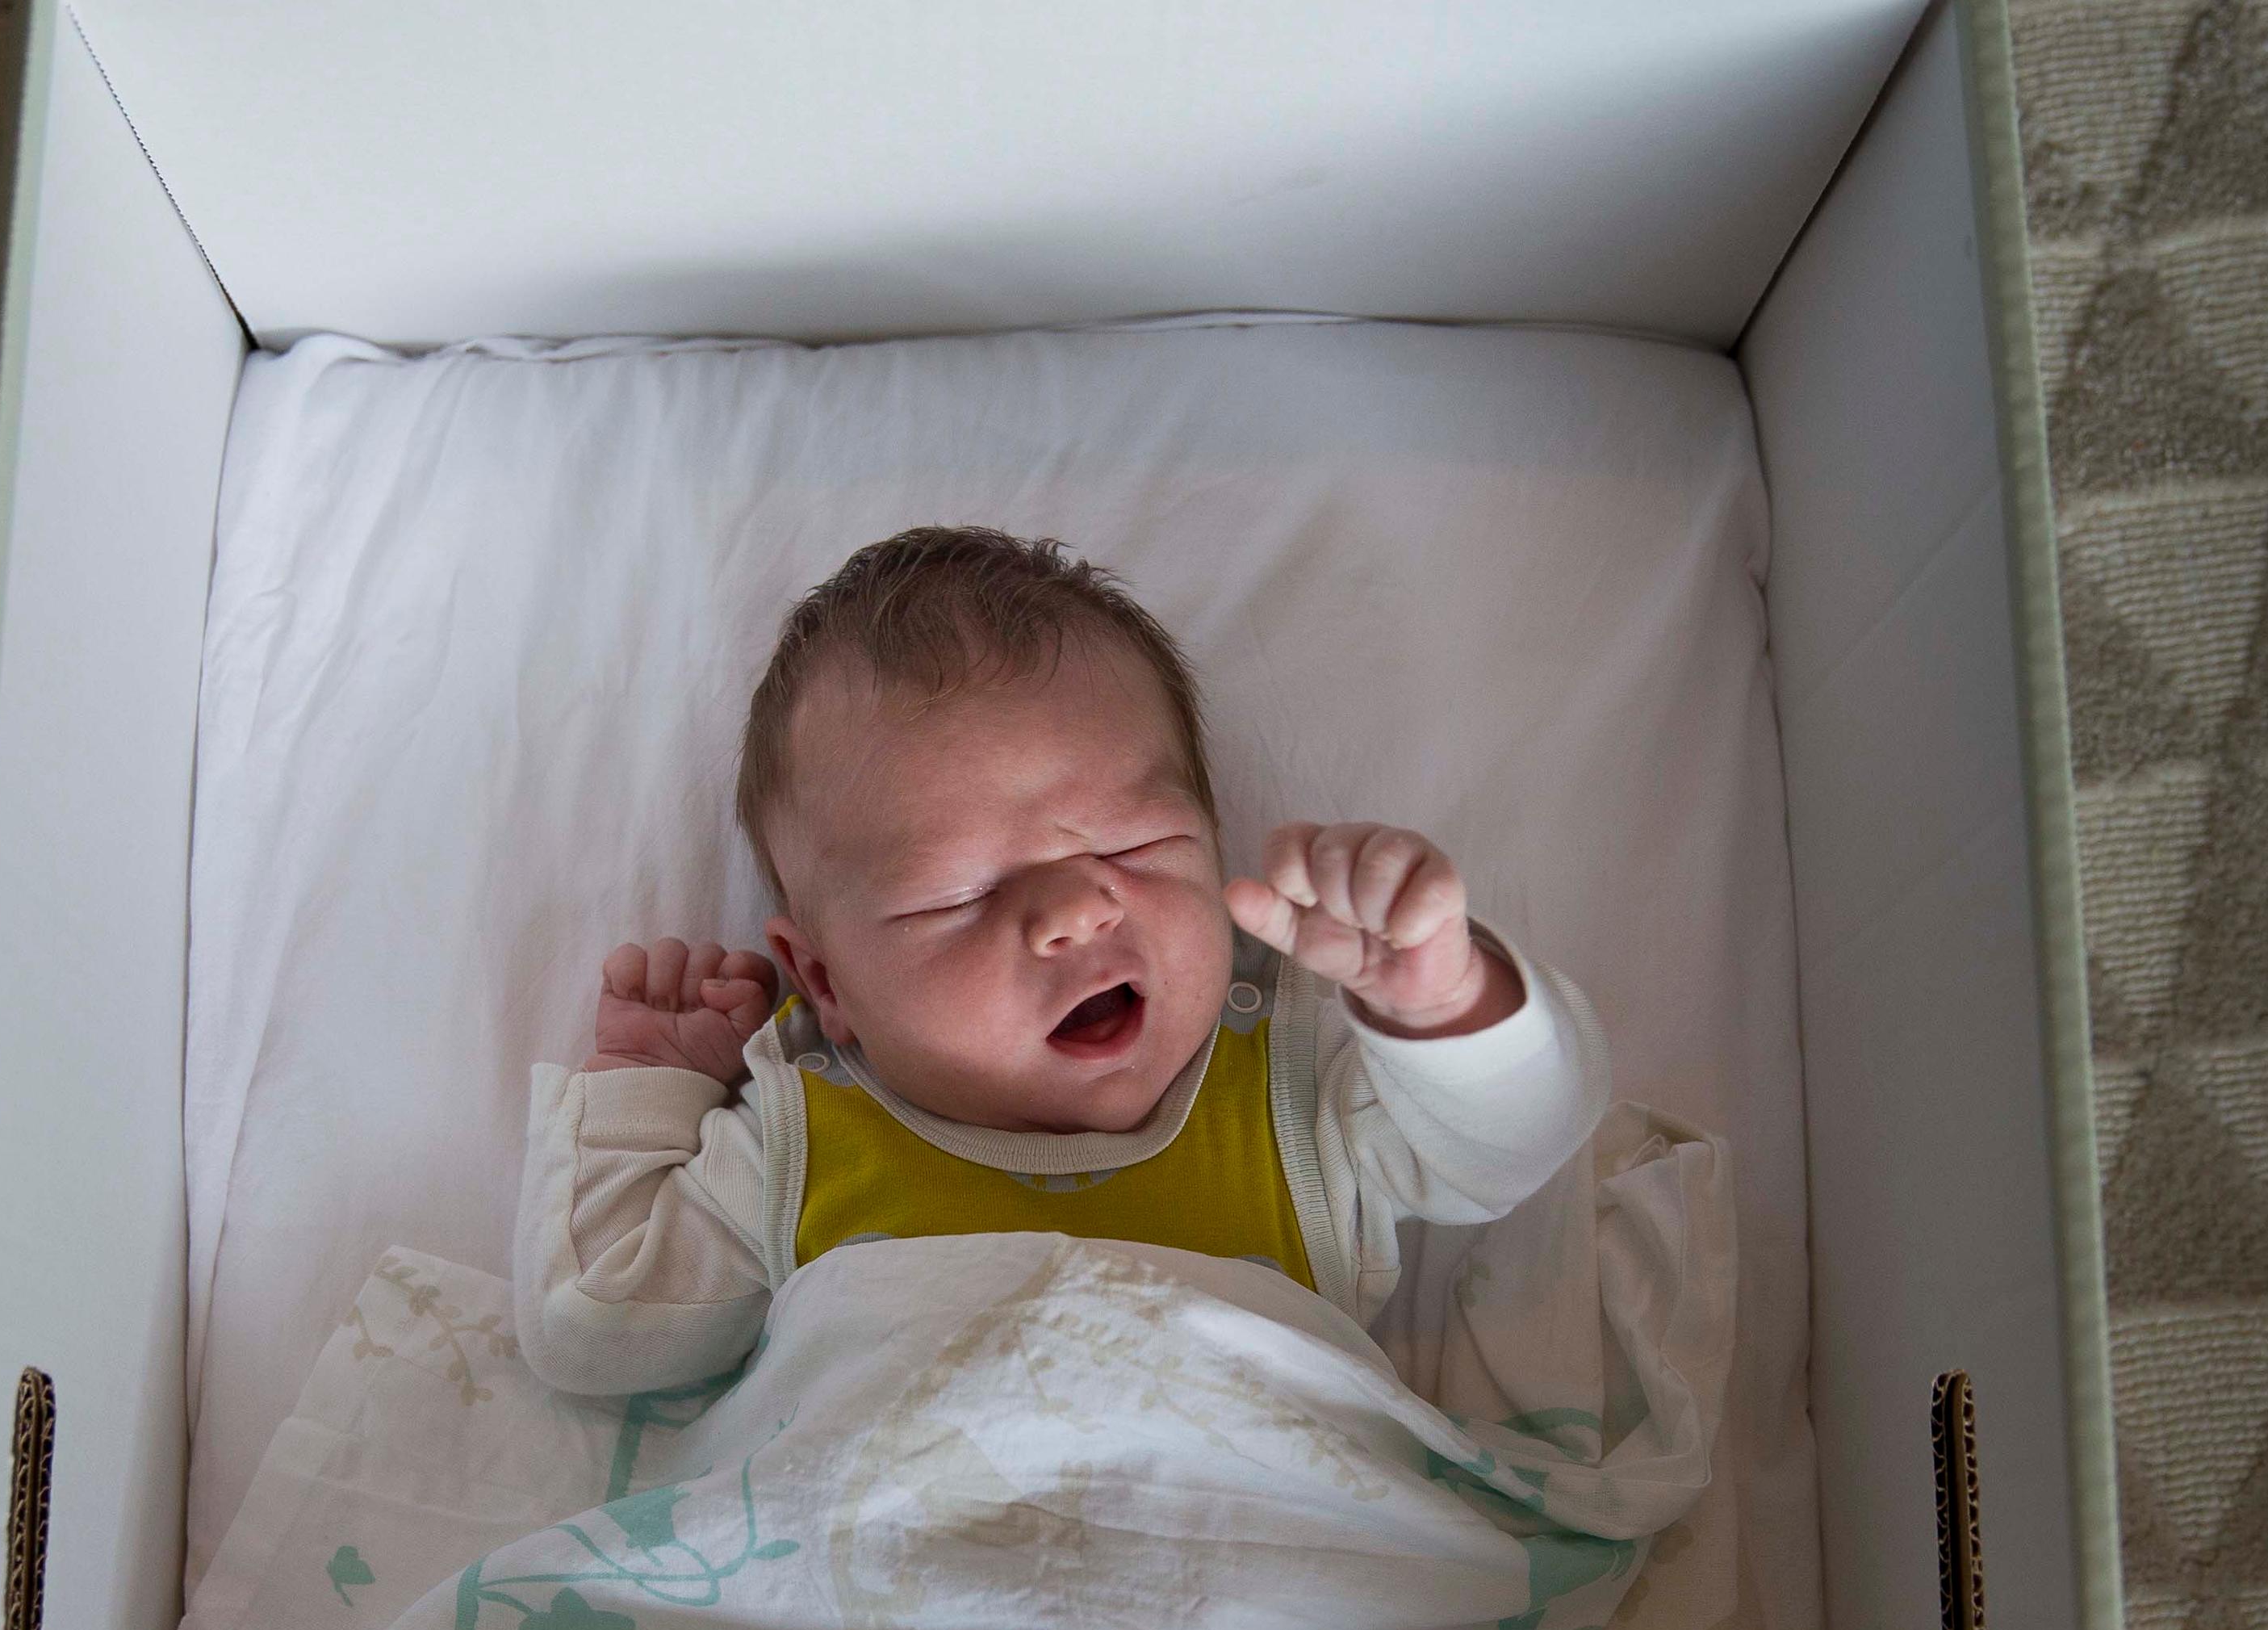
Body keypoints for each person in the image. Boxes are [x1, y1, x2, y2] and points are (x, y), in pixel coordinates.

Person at [510, 526, 1607, 1396]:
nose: (1078, 911)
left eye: (1134, 846)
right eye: (960, 894)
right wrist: (653, 1086)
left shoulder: (1298, 1095)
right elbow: (600, 1331)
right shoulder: (804, 1140)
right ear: (830, 983)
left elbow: (1521, 1146)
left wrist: (1444, 1003)